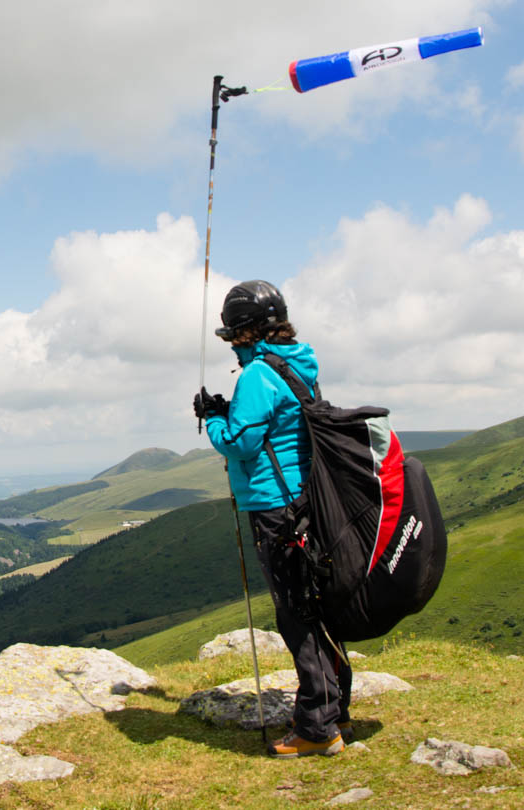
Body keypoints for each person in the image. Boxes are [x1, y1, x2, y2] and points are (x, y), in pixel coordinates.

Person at [193, 280, 352, 758]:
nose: (232, 344)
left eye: (233, 336)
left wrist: (215, 419)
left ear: (245, 332)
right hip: (308, 501)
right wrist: (229, 411)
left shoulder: (259, 375)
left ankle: (317, 729)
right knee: (316, 606)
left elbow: (240, 442)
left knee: (296, 612)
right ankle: (332, 708)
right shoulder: (296, 365)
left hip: (276, 508)